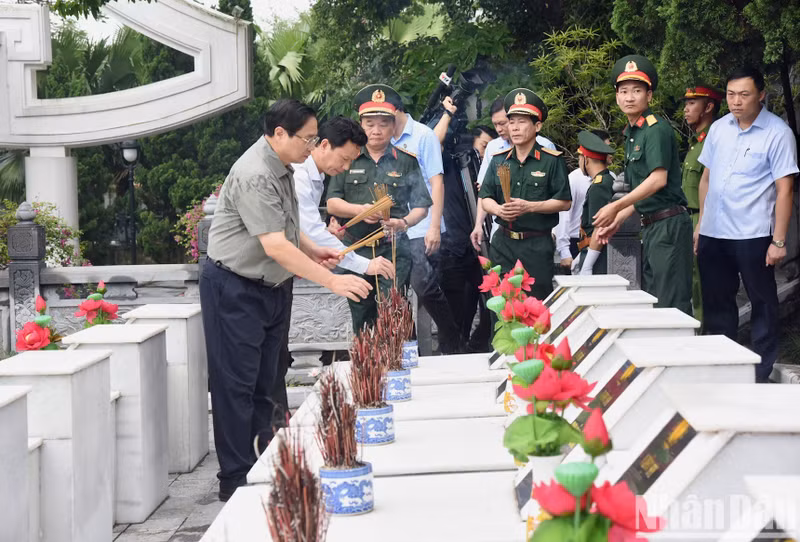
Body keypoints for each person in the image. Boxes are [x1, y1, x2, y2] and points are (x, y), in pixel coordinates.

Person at [201, 99, 372, 501]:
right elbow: (275, 245)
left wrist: (315, 250)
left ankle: (271, 466)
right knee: (236, 385)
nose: (313, 147)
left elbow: (288, 230)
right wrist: (332, 280)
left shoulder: (284, 167)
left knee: (270, 381)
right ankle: (236, 480)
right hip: (235, 287)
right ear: (280, 134)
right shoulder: (255, 173)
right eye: (308, 139)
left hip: (272, 288)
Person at [695, 66, 798, 382]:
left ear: (761, 95)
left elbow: (785, 189)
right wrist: (701, 224)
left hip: (752, 233)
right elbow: (706, 178)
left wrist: (778, 240)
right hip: (714, 231)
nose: (736, 102)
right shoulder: (719, 129)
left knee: (762, 300)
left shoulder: (777, 132)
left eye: (744, 94)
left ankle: (761, 369)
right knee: (717, 302)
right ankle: (723, 366)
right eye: (730, 94)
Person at [326, 84, 433, 333]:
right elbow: (332, 202)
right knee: (361, 310)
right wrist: (360, 210)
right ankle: (369, 368)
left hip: (394, 248)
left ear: (394, 126)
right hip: (356, 247)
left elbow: (421, 206)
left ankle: (399, 360)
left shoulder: (406, 160)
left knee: (393, 308)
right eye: (370, 124)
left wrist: (403, 223)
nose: (376, 130)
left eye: (383, 123)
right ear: (361, 125)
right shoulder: (348, 157)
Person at [594, 55, 693, 315]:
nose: (629, 97)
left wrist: (616, 208)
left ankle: (679, 356)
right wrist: (620, 217)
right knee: (656, 301)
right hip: (652, 225)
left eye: (637, 91)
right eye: (623, 91)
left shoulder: (655, 129)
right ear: (616, 97)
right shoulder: (633, 134)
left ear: (649, 96)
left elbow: (658, 180)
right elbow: (643, 192)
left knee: (671, 304)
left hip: (668, 225)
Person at [478, 88, 571, 300]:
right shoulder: (499, 159)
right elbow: (486, 198)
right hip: (503, 243)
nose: (515, 128)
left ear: (537, 126)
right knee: (502, 307)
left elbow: (564, 202)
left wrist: (530, 206)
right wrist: (498, 209)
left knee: (535, 304)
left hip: (536, 244)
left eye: (522, 122)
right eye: (512, 122)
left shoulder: (551, 160)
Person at [391, 88, 463, 353]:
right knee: (394, 292)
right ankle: (406, 348)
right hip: (394, 227)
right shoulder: (380, 138)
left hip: (423, 226)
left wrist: (435, 226)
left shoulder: (423, 135)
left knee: (424, 284)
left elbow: (437, 182)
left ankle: (450, 333)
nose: (378, 124)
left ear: (396, 110)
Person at [470, 97, 557, 253]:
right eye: (495, 124)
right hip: (502, 233)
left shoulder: (545, 146)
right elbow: (484, 192)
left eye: (502, 123)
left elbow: (558, 198)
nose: (498, 129)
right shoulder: (493, 148)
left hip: (535, 235)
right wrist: (479, 225)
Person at [680, 84, 723, 327]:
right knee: (693, 281)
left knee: (702, 282)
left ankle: (706, 334)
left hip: (704, 219)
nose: (686, 109)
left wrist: (703, 222)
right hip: (690, 217)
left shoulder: (712, 141)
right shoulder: (697, 142)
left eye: (692, 104)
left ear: (708, 107)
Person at [554, 129, 616, 271]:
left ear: (586, 159)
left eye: (580, 157)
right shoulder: (604, 180)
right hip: (588, 247)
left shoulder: (599, 186)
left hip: (596, 252)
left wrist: (587, 263)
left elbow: (599, 228)